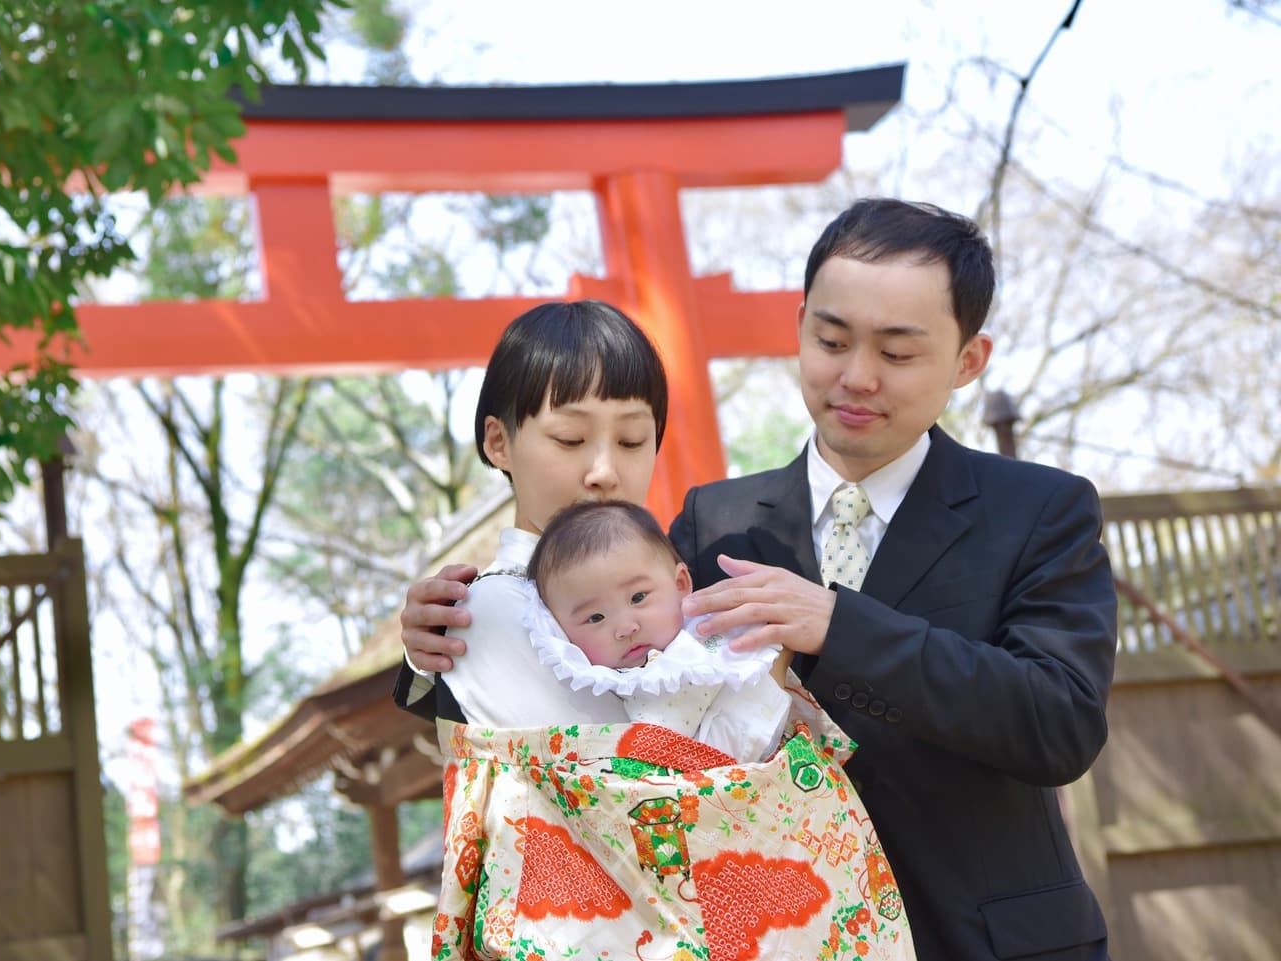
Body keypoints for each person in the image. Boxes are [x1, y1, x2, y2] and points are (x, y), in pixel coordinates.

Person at [396, 199, 1118, 961]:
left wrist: (839, 628)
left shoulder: (1040, 508)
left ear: (969, 359)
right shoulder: (715, 521)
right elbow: (595, 667)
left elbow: (1061, 721)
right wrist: (426, 650)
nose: (857, 375)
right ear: (801, 324)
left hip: (983, 939)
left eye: (898, 353)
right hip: (774, 936)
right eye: (832, 339)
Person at [419, 299, 914, 961]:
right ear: (498, 442)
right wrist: (763, 672)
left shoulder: (676, 572)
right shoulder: (490, 610)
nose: (605, 470)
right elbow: (654, 765)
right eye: (570, 439)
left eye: (631, 439)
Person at [525, 498, 790, 762]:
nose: (626, 628)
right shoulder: (625, 686)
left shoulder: (715, 628)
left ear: (680, 583)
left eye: (638, 598)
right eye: (595, 617)